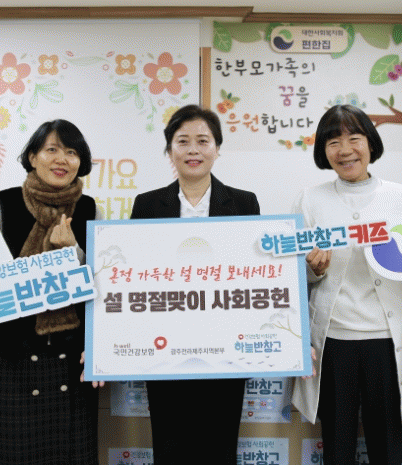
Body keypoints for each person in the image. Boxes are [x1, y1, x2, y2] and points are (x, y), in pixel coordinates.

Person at [291, 105, 402, 465]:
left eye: (354, 138)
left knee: (387, 446)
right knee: (337, 447)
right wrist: (314, 269)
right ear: (323, 151)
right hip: (334, 342)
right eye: (333, 142)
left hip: (387, 341)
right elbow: (295, 276)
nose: (345, 150)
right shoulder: (309, 200)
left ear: (370, 143)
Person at [0, 119, 104, 465]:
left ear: (81, 161)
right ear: (32, 157)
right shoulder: (2, 206)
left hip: (71, 365)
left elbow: (104, 286)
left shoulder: (91, 210)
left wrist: (73, 252)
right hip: (14, 363)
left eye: (72, 152)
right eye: (51, 149)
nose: (61, 159)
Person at [130, 104, 260, 465]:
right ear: (169, 149)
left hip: (226, 352)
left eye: (203, 141)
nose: (193, 150)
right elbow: (133, 278)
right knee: (169, 447)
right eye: (182, 141)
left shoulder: (244, 203)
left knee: (220, 448)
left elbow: (255, 276)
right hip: (164, 352)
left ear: (217, 148)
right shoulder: (147, 205)